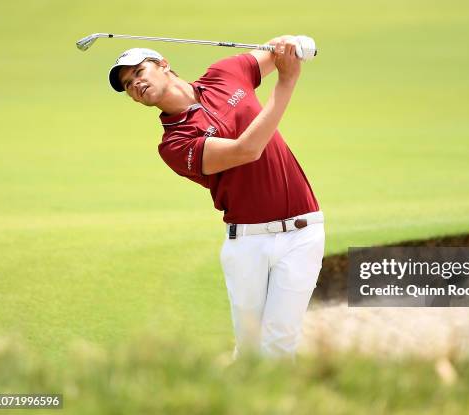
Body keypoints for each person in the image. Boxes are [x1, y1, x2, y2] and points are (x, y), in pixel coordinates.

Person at [107, 36, 324, 358]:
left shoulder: (225, 74)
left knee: (280, 341)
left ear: (163, 64)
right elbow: (246, 151)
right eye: (127, 85)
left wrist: (293, 43)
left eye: (139, 71)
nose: (135, 83)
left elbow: (275, 49)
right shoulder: (175, 144)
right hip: (248, 243)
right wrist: (287, 81)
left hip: (303, 233)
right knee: (251, 349)